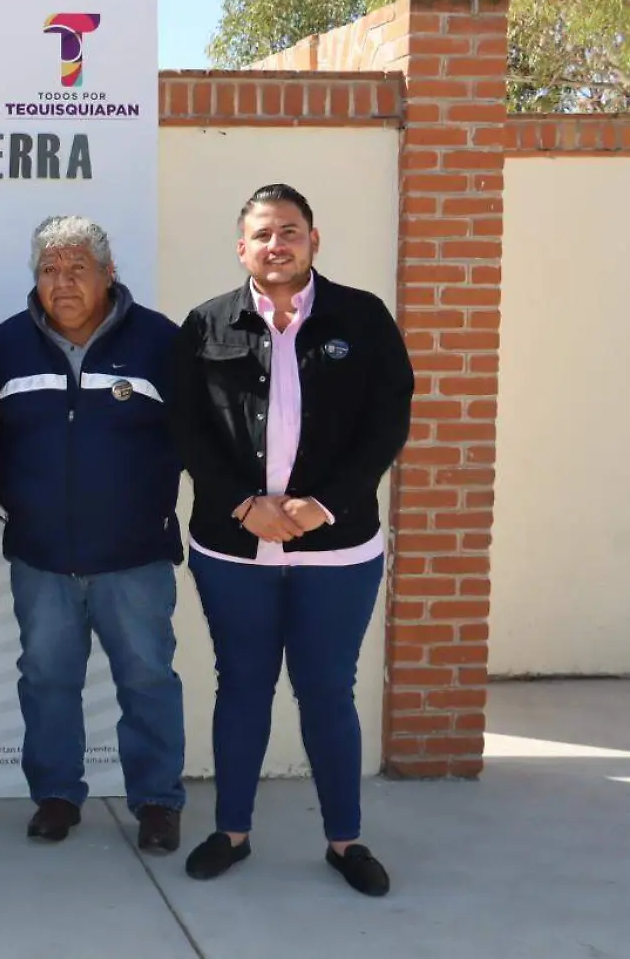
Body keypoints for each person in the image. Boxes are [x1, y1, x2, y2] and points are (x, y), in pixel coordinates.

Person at [168, 184, 414, 897]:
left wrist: (324, 505)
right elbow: (186, 427)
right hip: (233, 545)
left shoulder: (361, 318)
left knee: (327, 692)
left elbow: (387, 420)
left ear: (313, 239)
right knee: (241, 687)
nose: (278, 244)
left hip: (336, 550)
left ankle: (346, 841)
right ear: (241, 247)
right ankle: (232, 833)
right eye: (264, 234)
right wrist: (245, 505)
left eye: (291, 231)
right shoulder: (206, 324)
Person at [0, 216, 189, 853]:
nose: (62, 283)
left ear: (108, 274)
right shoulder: (2, 347)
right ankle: (55, 795)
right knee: (46, 679)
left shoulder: (160, 342)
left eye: (77, 270)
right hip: (41, 558)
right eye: (49, 270)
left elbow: (195, 441)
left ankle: (156, 800)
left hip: (134, 558)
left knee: (148, 678)